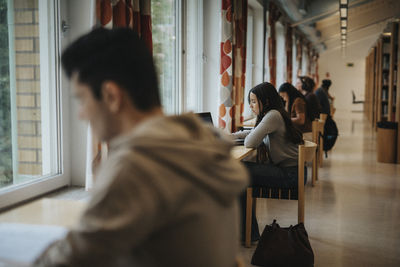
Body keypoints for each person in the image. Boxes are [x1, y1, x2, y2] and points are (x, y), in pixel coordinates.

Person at [34, 28, 248, 267]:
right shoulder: (199, 142)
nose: (81, 114)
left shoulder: (138, 163)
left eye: (82, 100)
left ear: (111, 96)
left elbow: (71, 259)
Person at [232, 82, 304, 241]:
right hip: (292, 171)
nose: (250, 105)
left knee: (238, 170)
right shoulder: (275, 113)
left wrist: (240, 136)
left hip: (290, 175)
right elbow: (253, 133)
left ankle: (247, 233)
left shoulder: (272, 116)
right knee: (240, 171)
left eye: (253, 101)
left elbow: (250, 142)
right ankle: (247, 233)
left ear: (266, 101)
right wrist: (230, 136)